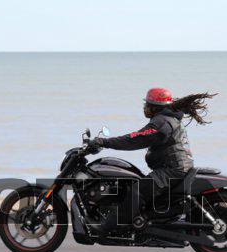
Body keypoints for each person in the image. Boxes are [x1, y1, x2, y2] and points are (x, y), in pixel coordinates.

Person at [87, 88, 215, 232]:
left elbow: (135, 139)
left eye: (147, 105)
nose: (144, 108)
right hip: (176, 168)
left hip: (172, 170)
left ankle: (109, 228)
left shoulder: (161, 122)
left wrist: (104, 142)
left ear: (155, 107)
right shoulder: (167, 119)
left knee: (137, 191)